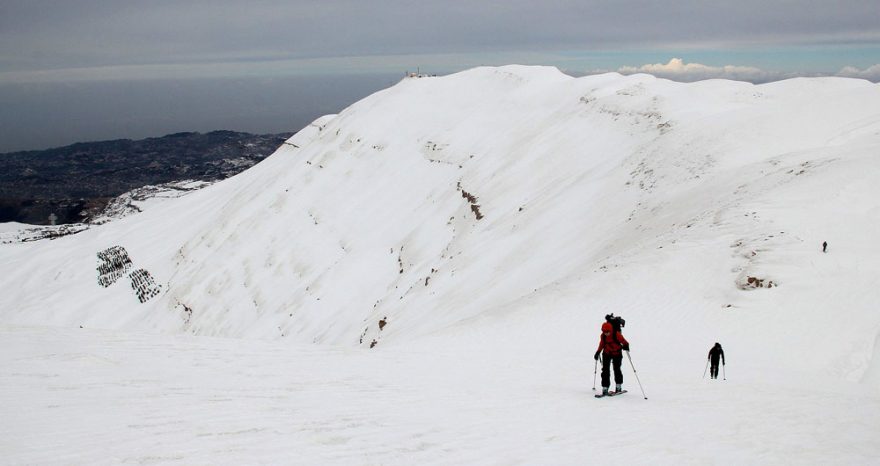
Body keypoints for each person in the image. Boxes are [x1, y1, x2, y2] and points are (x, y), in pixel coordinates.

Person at [594, 321, 630, 395]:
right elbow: (601, 344)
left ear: (610, 330)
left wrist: (626, 346)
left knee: (617, 369)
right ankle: (605, 387)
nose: (606, 333)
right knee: (605, 370)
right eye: (604, 331)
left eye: (607, 332)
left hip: (617, 353)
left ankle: (618, 386)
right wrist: (598, 352)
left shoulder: (616, 334)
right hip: (606, 353)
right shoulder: (603, 336)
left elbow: (625, 342)